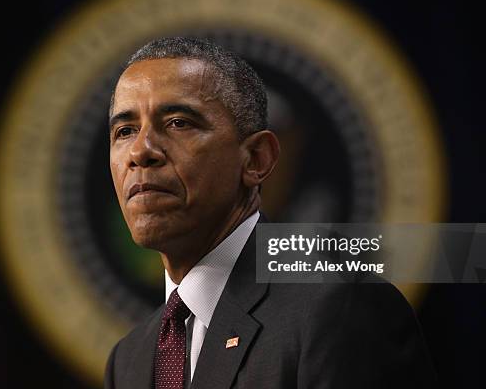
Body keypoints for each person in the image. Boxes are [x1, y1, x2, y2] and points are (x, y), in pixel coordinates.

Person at [104, 37, 435, 389]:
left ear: (257, 159)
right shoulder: (129, 360)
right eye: (125, 131)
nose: (141, 151)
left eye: (178, 123)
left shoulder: (338, 311)